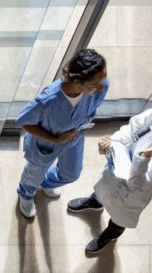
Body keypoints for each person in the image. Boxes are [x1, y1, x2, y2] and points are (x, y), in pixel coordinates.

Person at [67, 106, 152, 253]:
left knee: (120, 218)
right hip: (122, 163)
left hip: (134, 191)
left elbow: (135, 183)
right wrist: (113, 142)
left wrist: (145, 155)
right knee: (103, 187)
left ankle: (109, 235)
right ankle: (95, 202)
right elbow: (132, 129)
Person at [16, 49, 110, 218]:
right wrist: (54, 139)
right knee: (34, 172)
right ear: (77, 81)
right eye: (95, 84)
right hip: (45, 144)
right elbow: (24, 121)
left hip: (74, 138)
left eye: (102, 80)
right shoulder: (48, 100)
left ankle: (45, 182)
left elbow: (92, 105)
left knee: (71, 174)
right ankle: (26, 194)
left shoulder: (100, 86)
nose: (102, 86)